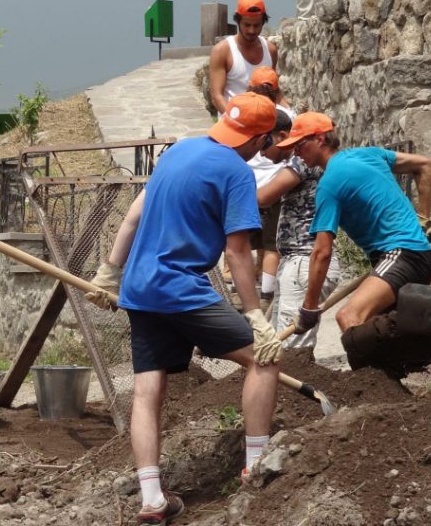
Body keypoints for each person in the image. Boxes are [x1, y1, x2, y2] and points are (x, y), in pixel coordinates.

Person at [89, 92, 283, 525]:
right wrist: (254, 315)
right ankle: (256, 468)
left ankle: (152, 498)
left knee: (147, 390)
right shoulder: (237, 173)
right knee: (263, 360)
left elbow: (133, 217)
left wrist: (109, 271)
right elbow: (237, 254)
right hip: (181, 290)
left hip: (141, 288)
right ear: (260, 138)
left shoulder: (178, 152)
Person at [276, 113, 431, 375]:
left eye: (300, 145)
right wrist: (423, 219)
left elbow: (321, 252)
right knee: (376, 328)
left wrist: (309, 307)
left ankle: (375, 390)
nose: (297, 153)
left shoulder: (329, 183)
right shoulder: (369, 154)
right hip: (408, 254)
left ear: (320, 139)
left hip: (401, 255)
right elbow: (425, 164)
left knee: (349, 317)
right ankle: (396, 379)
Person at [257, 113, 341, 347]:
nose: (261, 152)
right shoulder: (308, 161)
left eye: (264, 143)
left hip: (305, 261)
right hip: (295, 262)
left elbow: (263, 197)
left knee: (293, 351)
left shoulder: (305, 161)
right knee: (280, 346)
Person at [245, 68, 296, 309]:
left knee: (244, 243)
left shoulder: (250, 115)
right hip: (275, 183)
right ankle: (266, 295)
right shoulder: (286, 114)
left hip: (251, 185)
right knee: (270, 245)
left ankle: (241, 291)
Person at [207, 0, 279, 116]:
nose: (251, 30)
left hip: (262, 124)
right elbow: (216, 96)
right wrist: (237, 121)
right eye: (247, 25)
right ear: (238, 22)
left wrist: (289, 112)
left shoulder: (270, 50)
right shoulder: (222, 51)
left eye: (256, 25)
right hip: (232, 124)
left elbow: (273, 89)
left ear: (263, 23)